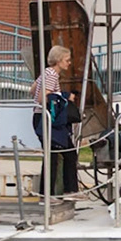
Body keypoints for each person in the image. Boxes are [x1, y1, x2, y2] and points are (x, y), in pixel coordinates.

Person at [32, 45, 78, 199]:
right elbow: (42, 97)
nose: (69, 63)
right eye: (67, 60)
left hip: (42, 117)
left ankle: (50, 192)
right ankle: (65, 190)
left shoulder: (45, 73)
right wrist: (64, 96)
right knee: (64, 154)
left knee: (58, 154)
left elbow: (32, 90)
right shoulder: (52, 74)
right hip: (47, 119)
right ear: (58, 61)